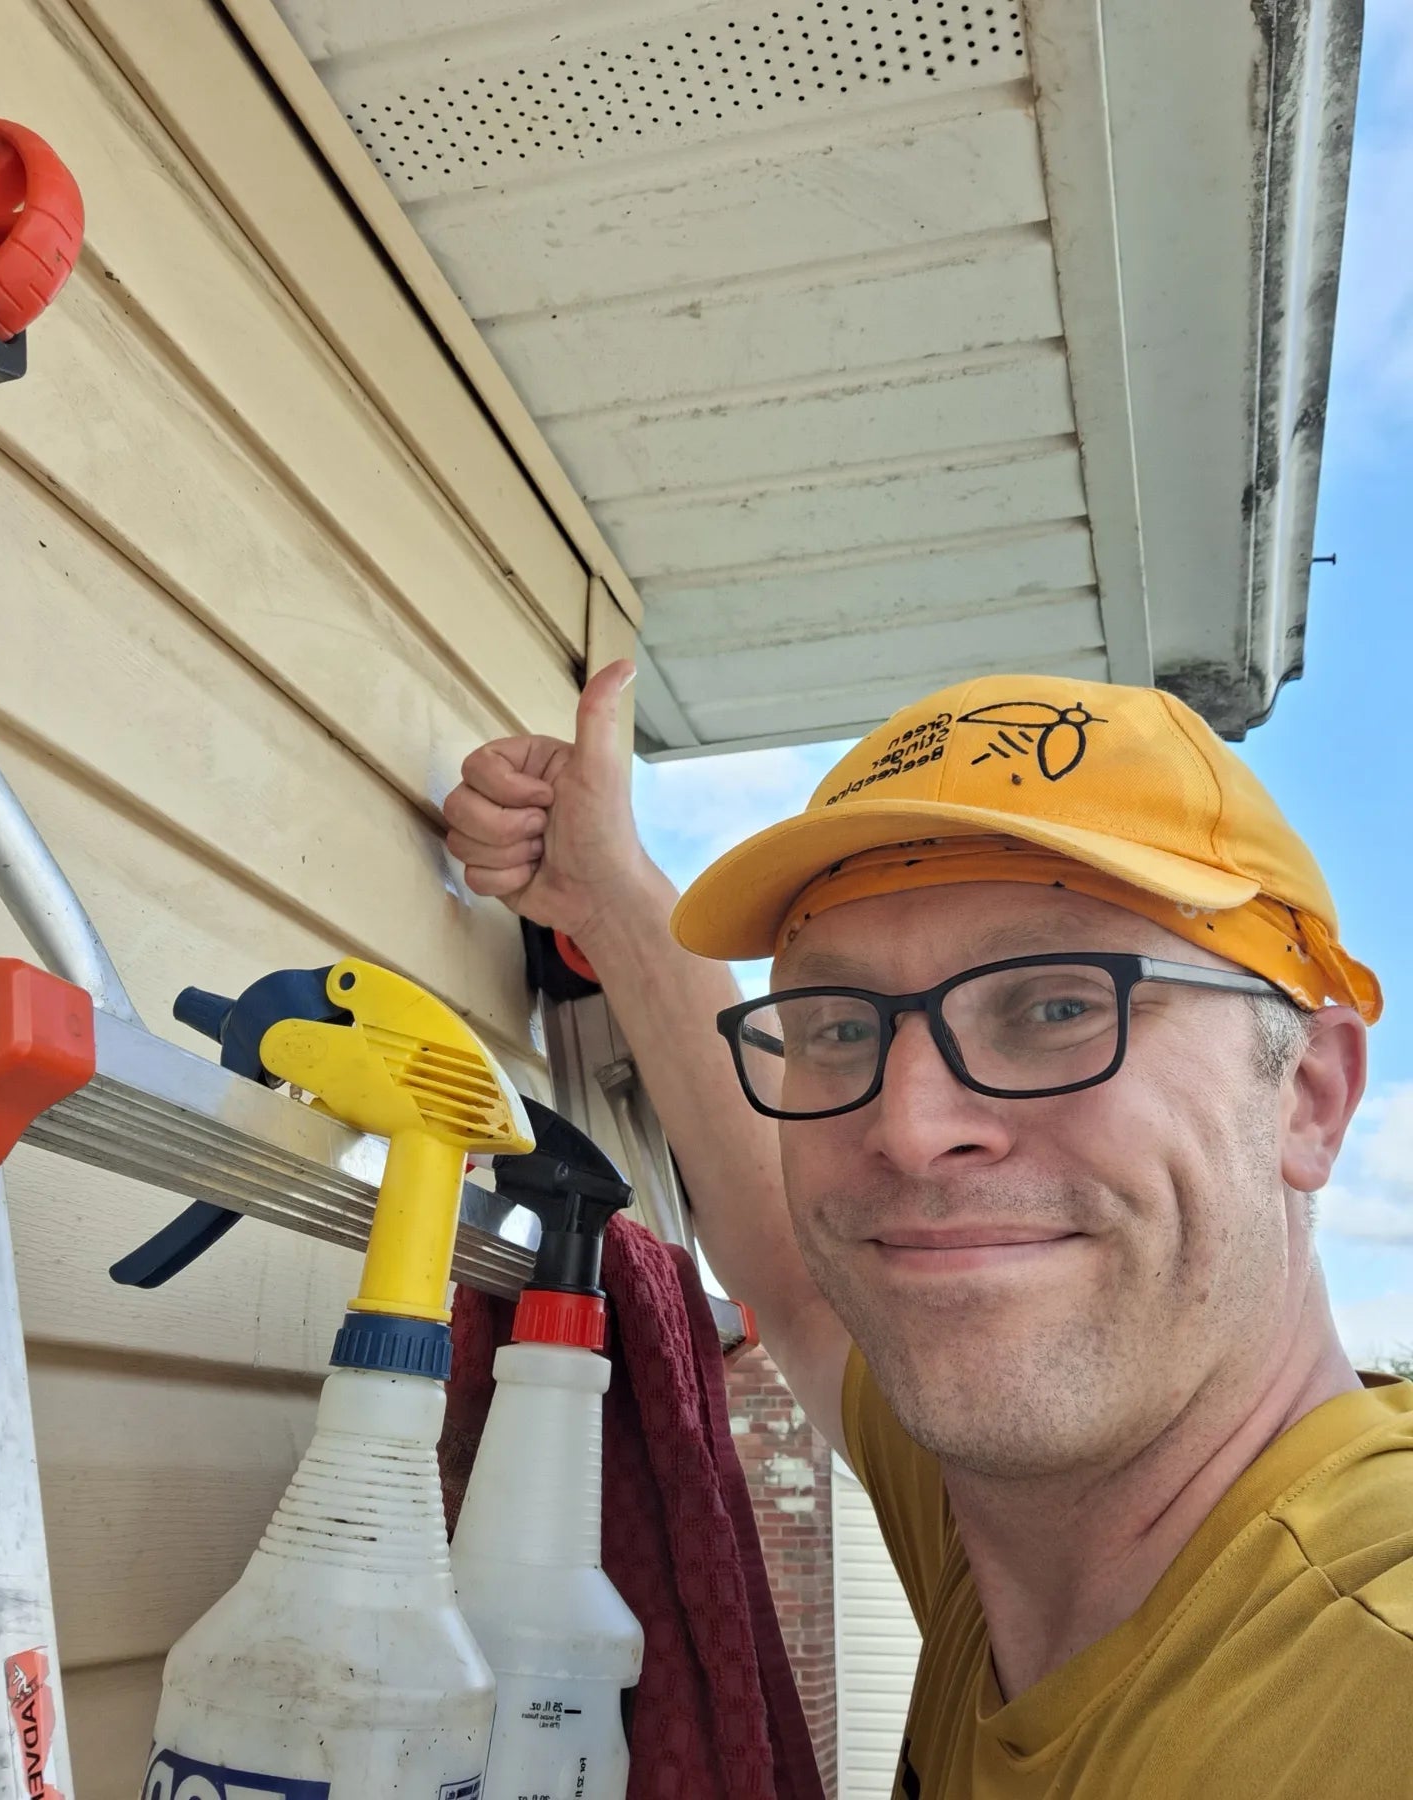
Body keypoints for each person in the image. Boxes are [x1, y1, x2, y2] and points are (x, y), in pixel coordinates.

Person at [443, 663, 1412, 1799]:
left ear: (1309, 1098)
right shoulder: (1007, 1513)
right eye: (841, 1026)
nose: (908, 1128)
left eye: (1057, 1006)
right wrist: (608, 893)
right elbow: (800, 1286)